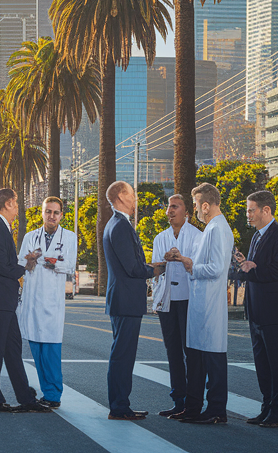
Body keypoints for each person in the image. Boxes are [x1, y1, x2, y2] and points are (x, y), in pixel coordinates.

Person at [166, 182, 235, 424]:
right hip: (200, 303)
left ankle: (216, 410)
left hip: (210, 304)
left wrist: (190, 265)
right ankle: (193, 407)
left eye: (196, 205)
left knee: (213, 359)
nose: (195, 210)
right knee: (196, 358)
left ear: (205, 205)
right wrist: (189, 262)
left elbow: (217, 268)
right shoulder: (211, 228)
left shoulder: (218, 229)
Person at [0, 188, 49, 414]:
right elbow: (1, 266)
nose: (18, 207)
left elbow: (1, 262)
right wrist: (26, 266)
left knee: (12, 349)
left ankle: (25, 398)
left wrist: (24, 263)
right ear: (7, 204)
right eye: (16, 203)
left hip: (1, 300)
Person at [232, 190, 278, 427]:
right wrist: (243, 266)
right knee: (262, 363)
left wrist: (252, 269)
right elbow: (252, 270)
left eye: (251, 210)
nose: (247, 214)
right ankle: (267, 406)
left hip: (274, 310)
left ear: (266, 210)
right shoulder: (256, 237)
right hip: (256, 310)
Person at [103, 180, 166, 420]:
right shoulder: (120, 226)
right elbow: (132, 267)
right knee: (123, 356)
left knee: (121, 354)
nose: (135, 198)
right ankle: (119, 407)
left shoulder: (117, 224)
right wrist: (155, 270)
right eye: (131, 194)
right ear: (120, 197)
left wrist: (151, 267)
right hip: (125, 300)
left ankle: (120, 404)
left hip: (122, 299)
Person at [18, 196, 76, 409]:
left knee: (51, 351)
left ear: (61, 215)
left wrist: (48, 261)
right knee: (37, 350)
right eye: (48, 212)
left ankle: (53, 394)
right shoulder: (30, 236)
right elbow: (20, 262)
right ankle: (46, 392)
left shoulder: (69, 237)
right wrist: (30, 260)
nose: (52, 216)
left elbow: (69, 265)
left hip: (52, 302)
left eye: (56, 212)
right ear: (42, 213)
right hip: (33, 300)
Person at [150, 193, 202, 418]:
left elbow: (201, 267)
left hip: (190, 299)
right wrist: (162, 262)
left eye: (175, 207)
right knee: (172, 351)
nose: (170, 211)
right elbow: (154, 268)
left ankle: (193, 402)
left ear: (187, 212)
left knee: (191, 351)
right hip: (167, 301)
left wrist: (181, 258)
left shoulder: (198, 236)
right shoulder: (160, 237)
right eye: (168, 207)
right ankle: (178, 399)